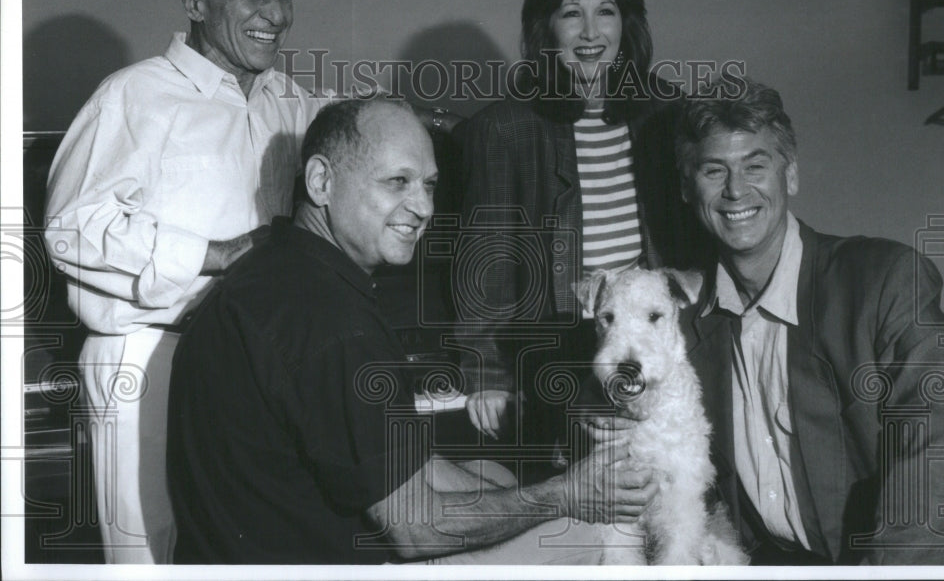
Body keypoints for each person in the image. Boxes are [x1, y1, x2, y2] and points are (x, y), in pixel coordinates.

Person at [166, 98, 658, 564]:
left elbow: (401, 463)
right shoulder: (332, 323)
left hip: (241, 546)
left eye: (428, 184)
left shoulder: (283, 267)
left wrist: (545, 489)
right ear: (321, 181)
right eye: (397, 182)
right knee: (589, 536)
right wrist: (565, 493)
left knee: (492, 474)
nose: (422, 207)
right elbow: (414, 530)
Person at [43, 0, 329, 562]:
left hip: (256, 365)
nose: (276, 15)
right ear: (195, 1)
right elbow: (72, 228)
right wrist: (217, 255)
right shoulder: (132, 95)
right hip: (146, 359)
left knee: (246, 549)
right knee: (147, 557)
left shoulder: (293, 103)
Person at [674, 79, 944, 564]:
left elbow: (942, 450)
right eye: (714, 171)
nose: (735, 190)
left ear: (790, 176)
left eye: (756, 166)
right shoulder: (683, 320)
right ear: (688, 190)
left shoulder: (883, 280)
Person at [456, 0, 706, 469]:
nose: (591, 33)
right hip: (558, 352)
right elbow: (485, 261)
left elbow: (701, 240)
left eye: (605, 12)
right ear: (547, 31)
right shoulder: (504, 129)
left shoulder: (668, 113)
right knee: (589, 511)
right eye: (572, 14)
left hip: (654, 348)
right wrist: (485, 373)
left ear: (627, 26)